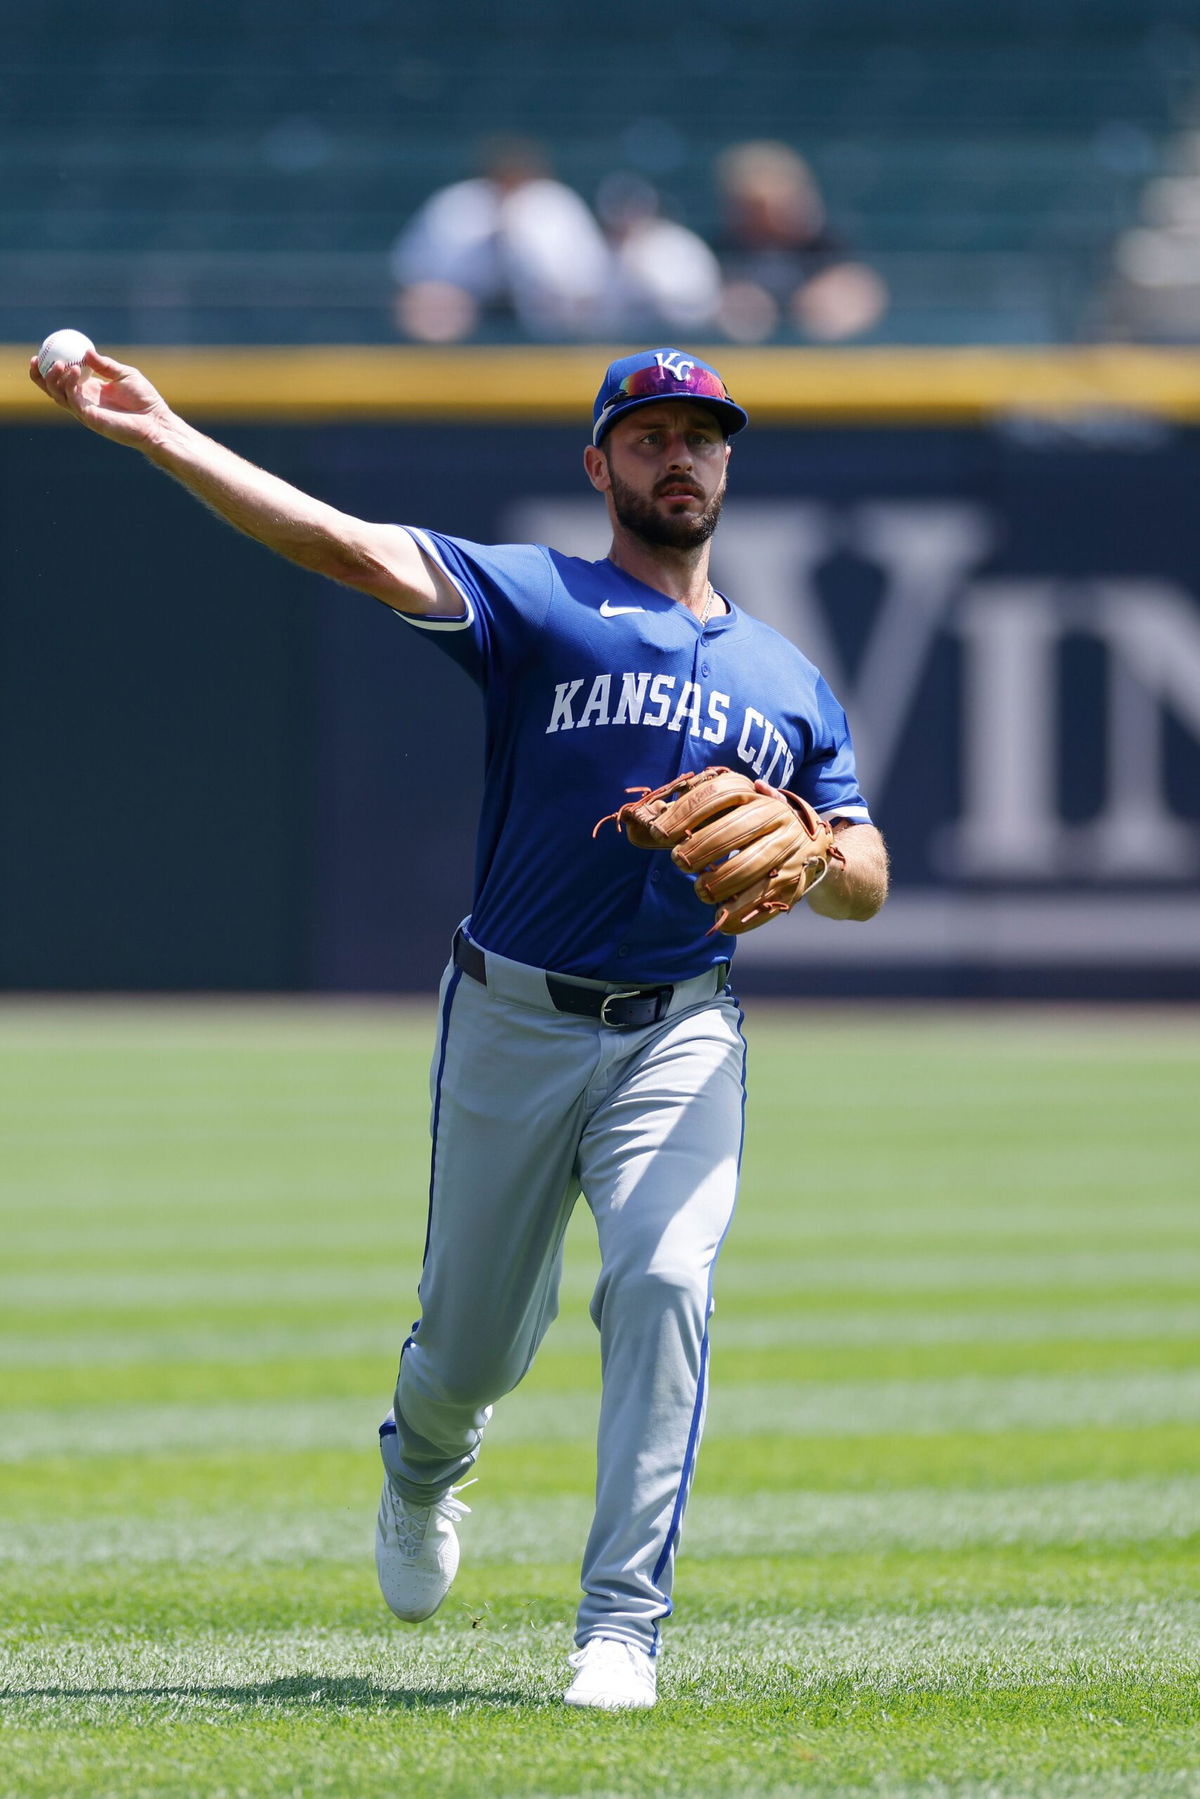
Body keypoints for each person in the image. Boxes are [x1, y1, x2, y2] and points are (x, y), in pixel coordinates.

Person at [30, 340, 889, 1710]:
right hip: (514, 1016)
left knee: (666, 1279)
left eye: (703, 434)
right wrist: (164, 434)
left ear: (729, 461)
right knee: (473, 1343)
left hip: (683, 1029)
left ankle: (621, 1625)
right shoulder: (541, 598)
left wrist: (811, 841)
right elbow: (343, 544)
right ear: (598, 463)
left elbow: (865, 871)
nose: (682, 455)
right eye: (651, 433)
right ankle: (424, 1463)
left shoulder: (788, 674)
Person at [390, 135, 612, 342]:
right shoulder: (457, 202)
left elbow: (589, 275)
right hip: (466, 311)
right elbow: (412, 269)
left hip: (545, 310)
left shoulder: (555, 203)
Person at [713, 139, 889, 344]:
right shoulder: (722, 250)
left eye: (779, 205)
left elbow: (859, 295)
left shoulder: (827, 245)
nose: (771, 218)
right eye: (756, 210)